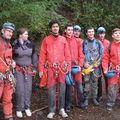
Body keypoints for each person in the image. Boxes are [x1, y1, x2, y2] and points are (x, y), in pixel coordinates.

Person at [39, 20, 71, 119]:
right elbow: (42, 55)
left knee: (62, 88)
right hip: (51, 68)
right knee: (51, 89)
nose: (55, 28)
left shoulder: (63, 39)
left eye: (57, 26)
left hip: (62, 68)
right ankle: (51, 110)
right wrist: (40, 69)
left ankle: (61, 108)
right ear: (51, 28)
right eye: (53, 27)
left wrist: (68, 68)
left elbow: (68, 55)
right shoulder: (46, 40)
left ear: (59, 28)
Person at [12, 28, 38, 118]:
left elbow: (34, 56)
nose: (27, 36)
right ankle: (19, 108)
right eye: (25, 34)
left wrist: (34, 67)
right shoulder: (14, 45)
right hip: (18, 70)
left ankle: (27, 107)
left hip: (28, 70)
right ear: (20, 35)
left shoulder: (31, 44)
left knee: (28, 89)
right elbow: (10, 56)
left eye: (27, 34)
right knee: (19, 89)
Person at [64, 23, 84, 111]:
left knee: (79, 85)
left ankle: (80, 103)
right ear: (65, 30)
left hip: (77, 67)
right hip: (66, 67)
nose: (70, 32)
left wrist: (80, 65)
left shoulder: (78, 41)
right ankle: (68, 104)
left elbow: (81, 54)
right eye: (68, 30)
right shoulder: (62, 40)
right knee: (68, 86)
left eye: (72, 30)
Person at [82, 27, 103, 109]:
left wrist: (97, 63)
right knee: (86, 82)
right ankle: (85, 99)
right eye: (89, 32)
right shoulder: (84, 42)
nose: (91, 33)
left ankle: (94, 98)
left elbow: (102, 54)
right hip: (86, 66)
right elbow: (81, 53)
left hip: (95, 66)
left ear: (94, 33)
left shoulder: (98, 42)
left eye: (92, 32)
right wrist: (84, 63)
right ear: (86, 33)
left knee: (95, 83)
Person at [0, 22, 16, 120]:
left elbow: (8, 58)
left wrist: (12, 62)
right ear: (2, 31)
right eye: (8, 31)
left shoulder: (9, 45)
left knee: (7, 97)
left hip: (7, 75)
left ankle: (8, 115)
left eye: (12, 32)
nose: (10, 33)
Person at [102, 28, 120, 111]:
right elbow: (105, 58)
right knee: (111, 87)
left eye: (119, 33)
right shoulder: (109, 46)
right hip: (113, 70)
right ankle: (110, 103)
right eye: (116, 33)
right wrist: (105, 69)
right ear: (112, 36)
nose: (118, 35)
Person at [97, 27, 110, 102]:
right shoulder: (96, 42)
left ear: (104, 34)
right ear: (98, 34)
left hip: (106, 62)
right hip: (98, 62)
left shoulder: (107, 42)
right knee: (98, 79)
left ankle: (108, 94)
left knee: (107, 78)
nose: (102, 35)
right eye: (100, 33)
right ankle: (99, 94)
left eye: (103, 33)